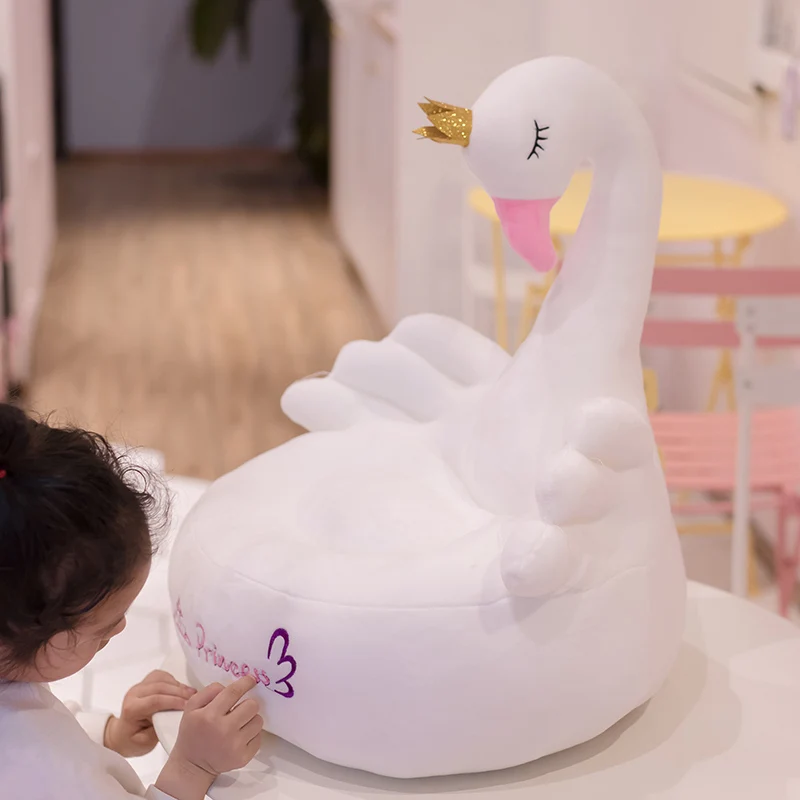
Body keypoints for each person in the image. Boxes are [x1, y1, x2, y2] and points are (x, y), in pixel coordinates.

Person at [0, 404, 262, 799]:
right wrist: (193, 765)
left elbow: (36, 719)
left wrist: (109, 734)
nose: (121, 626)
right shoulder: (42, 769)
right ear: (53, 640)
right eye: (104, 629)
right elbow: (50, 765)